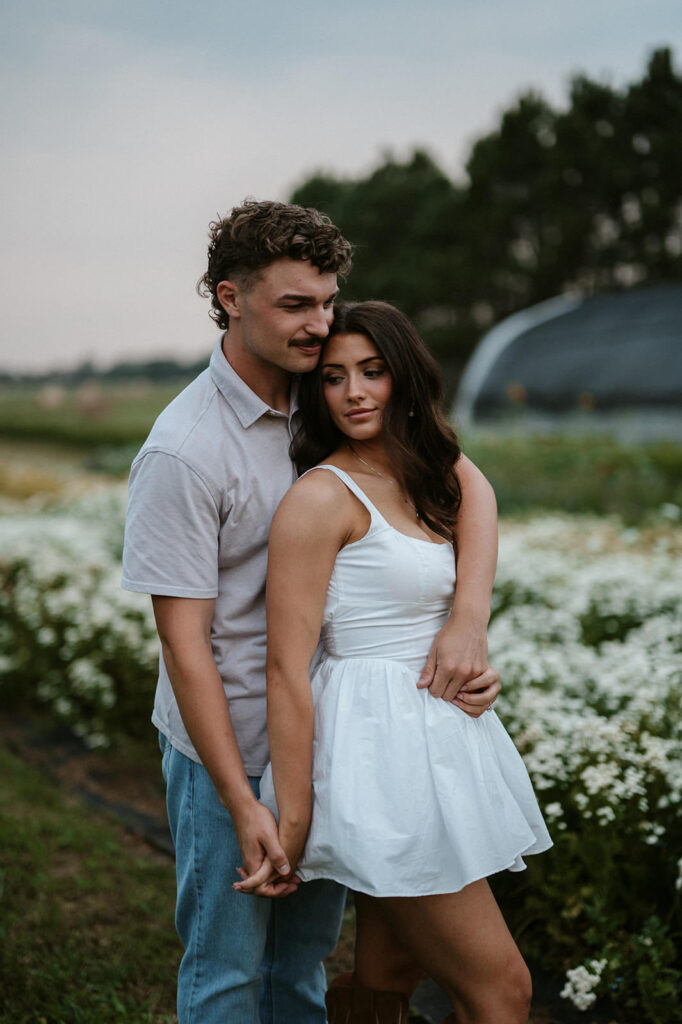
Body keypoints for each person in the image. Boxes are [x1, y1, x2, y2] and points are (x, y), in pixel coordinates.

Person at [122, 201, 502, 1024]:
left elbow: (457, 475)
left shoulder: (328, 391)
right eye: (296, 305)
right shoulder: (184, 452)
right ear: (230, 296)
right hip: (228, 741)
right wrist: (242, 800)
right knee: (227, 970)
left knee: (299, 969)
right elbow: (187, 646)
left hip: (327, 743)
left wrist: (466, 618)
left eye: (327, 301)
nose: (319, 325)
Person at [236, 301, 552, 1024]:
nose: (354, 393)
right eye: (335, 377)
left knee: (389, 970)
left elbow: (478, 496)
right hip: (380, 757)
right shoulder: (320, 498)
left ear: (404, 376)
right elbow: (286, 668)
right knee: (503, 991)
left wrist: (469, 629)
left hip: (439, 738)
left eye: (372, 372)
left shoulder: (430, 473)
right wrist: (294, 818)